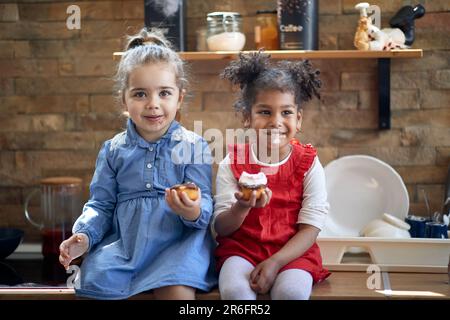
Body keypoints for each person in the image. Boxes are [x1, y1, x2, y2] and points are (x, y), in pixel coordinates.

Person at [58, 28, 217, 300]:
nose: (153, 104)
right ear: (124, 100)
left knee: (176, 291)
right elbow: (101, 205)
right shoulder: (113, 150)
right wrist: (84, 236)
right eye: (140, 94)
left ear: (180, 97)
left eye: (164, 93)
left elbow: (204, 204)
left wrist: (191, 211)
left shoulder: (193, 146)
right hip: (125, 247)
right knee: (94, 282)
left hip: (177, 248)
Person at [213, 51, 331, 300]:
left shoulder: (308, 163)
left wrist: (276, 262)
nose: (276, 121)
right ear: (247, 117)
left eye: (286, 112)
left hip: (293, 254)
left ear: (298, 119)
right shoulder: (232, 162)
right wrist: (241, 207)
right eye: (265, 112)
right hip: (242, 251)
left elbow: (311, 228)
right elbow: (221, 228)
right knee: (235, 292)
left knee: (291, 293)